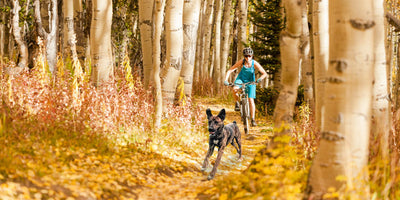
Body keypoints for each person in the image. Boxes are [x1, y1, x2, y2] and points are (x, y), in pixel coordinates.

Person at [224, 47, 267, 127]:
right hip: (240, 79)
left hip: (251, 81)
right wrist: (226, 80)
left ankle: (253, 119)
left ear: (252, 55)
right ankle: (237, 103)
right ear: (244, 56)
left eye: (249, 56)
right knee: (234, 89)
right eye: (246, 56)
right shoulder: (242, 62)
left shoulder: (255, 63)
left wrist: (260, 79)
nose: (248, 57)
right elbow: (230, 70)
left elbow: (264, 73)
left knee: (250, 99)